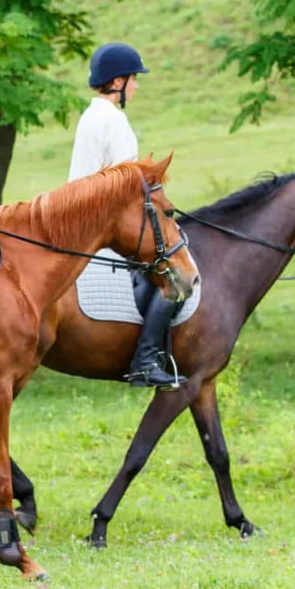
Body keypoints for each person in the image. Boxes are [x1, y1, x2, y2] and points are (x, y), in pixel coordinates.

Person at [68, 42, 187, 390]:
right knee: (174, 278)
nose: (136, 86)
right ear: (118, 81)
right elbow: (128, 185)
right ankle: (146, 361)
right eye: (134, 79)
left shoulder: (91, 115)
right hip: (106, 220)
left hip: (86, 214)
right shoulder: (112, 119)